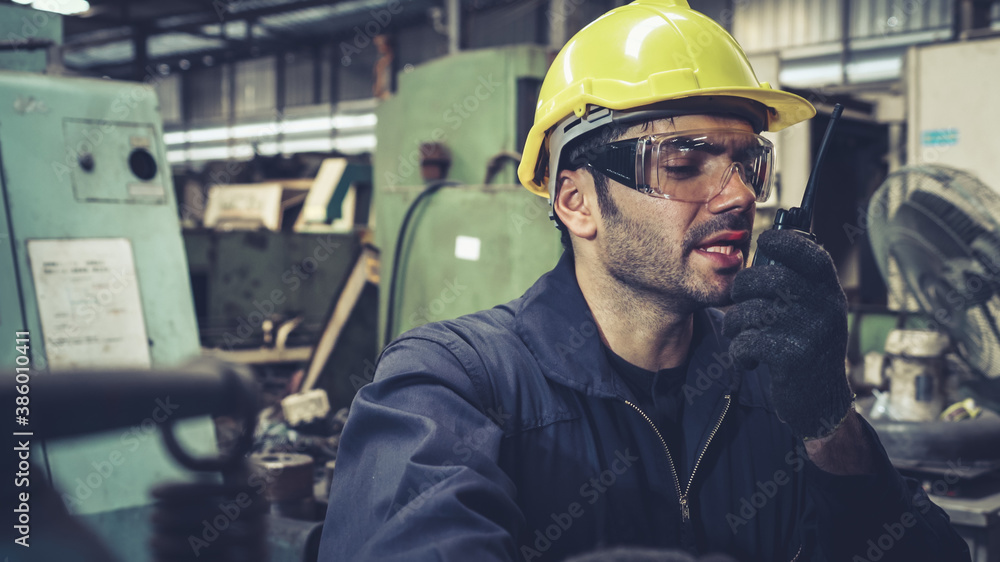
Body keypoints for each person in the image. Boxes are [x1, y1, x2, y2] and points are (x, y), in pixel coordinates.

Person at [318, 1, 970, 560]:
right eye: (684, 160)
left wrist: (831, 423)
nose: (739, 194)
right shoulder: (449, 387)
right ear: (576, 203)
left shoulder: (770, 382)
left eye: (749, 163)